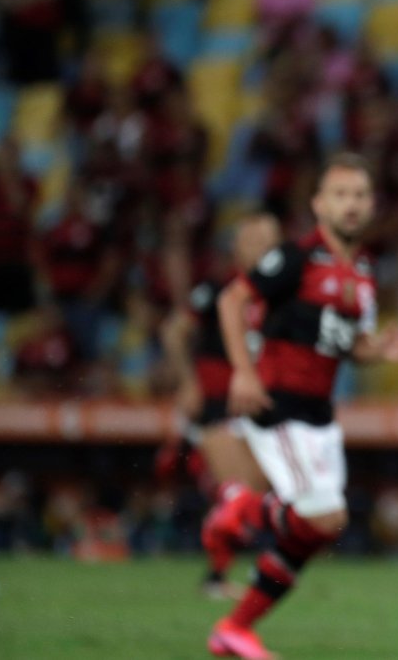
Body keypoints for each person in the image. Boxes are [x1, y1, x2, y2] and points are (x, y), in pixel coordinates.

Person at [207, 153, 398, 659]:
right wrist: (244, 371)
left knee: (320, 529)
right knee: (322, 517)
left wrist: (379, 349)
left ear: (371, 205)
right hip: (277, 405)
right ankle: (243, 507)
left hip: (319, 415)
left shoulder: (363, 271)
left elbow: (350, 343)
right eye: (340, 194)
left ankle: (234, 628)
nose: (351, 204)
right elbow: (231, 301)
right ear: (319, 204)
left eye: (360, 195)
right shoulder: (296, 258)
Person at [159, 212, 280, 599]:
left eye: (269, 242)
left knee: (253, 495)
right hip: (217, 406)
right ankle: (216, 576)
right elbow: (173, 332)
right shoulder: (218, 291)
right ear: (236, 249)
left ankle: (226, 571)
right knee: (238, 491)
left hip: (258, 411)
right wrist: (188, 381)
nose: (262, 250)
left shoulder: (283, 296)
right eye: (253, 242)